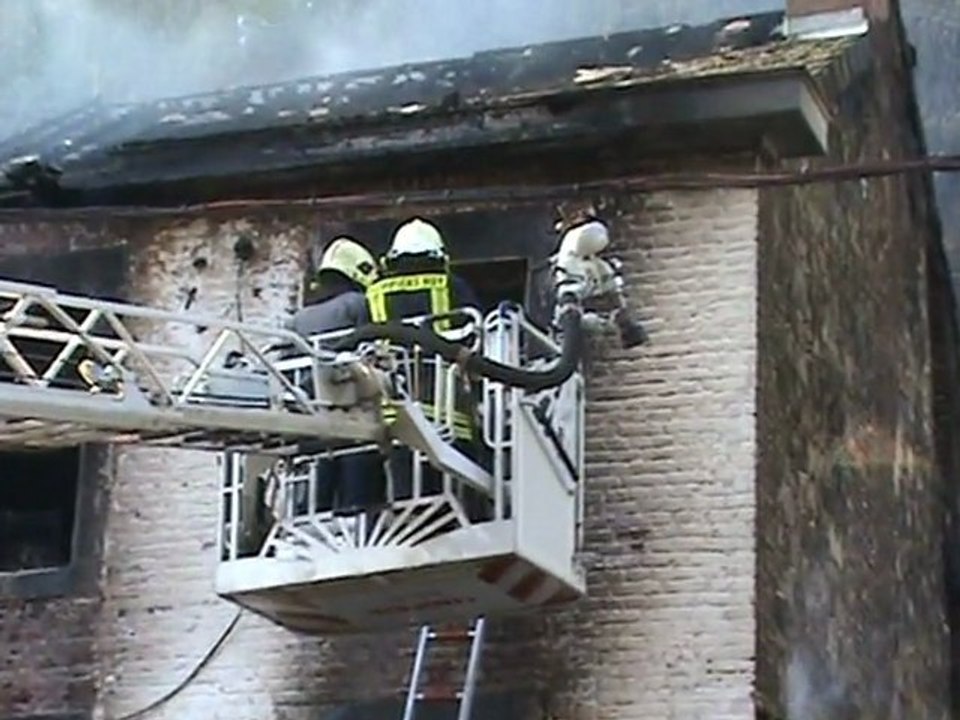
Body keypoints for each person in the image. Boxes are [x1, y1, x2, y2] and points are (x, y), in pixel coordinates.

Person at [364, 218, 489, 519]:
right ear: (438, 256)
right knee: (458, 492)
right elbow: (475, 338)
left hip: (396, 410)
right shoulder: (450, 285)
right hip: (449, 410)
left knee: (409, 495)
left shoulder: (373, 293)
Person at [288, 235, 385, 518]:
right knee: (358, 502)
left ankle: (312, 516)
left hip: (311, 422)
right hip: (354, 418)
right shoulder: (356, 304)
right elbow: (374, 352)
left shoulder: (299, 318)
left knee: (317, 498)